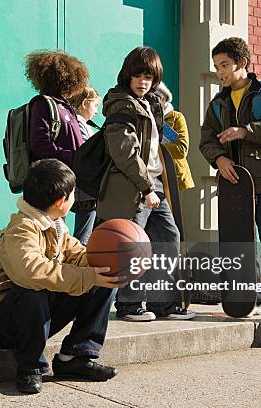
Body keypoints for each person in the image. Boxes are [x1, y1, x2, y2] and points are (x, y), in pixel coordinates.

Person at [0, 159, 120, 394]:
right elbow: (31, 271)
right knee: (31, 290)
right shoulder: (21, 228)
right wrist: (87, 277)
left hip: (40, 315)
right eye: (72, 194)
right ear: (61, 201)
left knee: (104, 280)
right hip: (7, 322)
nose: (74, 198)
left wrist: (116, 261)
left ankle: (75, 357)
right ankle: (30, 367)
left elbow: (79, 255)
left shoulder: (57, 225)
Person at [199, 37, 261, 341]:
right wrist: (218, 159)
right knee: (240, 242)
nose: (220, 72)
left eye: (225, 65)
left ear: (241, 63)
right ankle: (249, 300)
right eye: (217, 67)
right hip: (235, 184)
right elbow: (207, 139)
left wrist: (245, 131)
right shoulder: (217, 103)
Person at [97, 46, 195, 322]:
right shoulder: (121, 104)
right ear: (127, 75)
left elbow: (168, 144)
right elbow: (124, 152)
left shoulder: (151, 105)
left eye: (149, 77)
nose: (143, 81)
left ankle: (162, 302)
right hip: (133, 186)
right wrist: (145, 187)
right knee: (132, 244)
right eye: (138, 75)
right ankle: (128, 304)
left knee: (168, 237)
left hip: (155, 184)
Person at [25, 50, 88, 169]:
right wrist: (70, 157)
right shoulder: (43, 104)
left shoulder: (64, 105)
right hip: (54, 178)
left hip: (68, 175)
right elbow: (40, 144)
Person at [68, 85, 101, 245]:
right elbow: (86, 152)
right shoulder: (79, 123)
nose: (96, 111)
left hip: (84, 188)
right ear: (84, 103)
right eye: (95, 105)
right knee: (84, 235)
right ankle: (78, 265)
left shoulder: (80, 123)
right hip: (85, 188)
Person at [155, 82, 195, 191]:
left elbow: (181, 149)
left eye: (157, 98)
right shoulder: (143, 119)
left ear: (164, 99)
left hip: (173, 177)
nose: (154, 103)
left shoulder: (176, 117)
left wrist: (154, 148)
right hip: (150, 177)